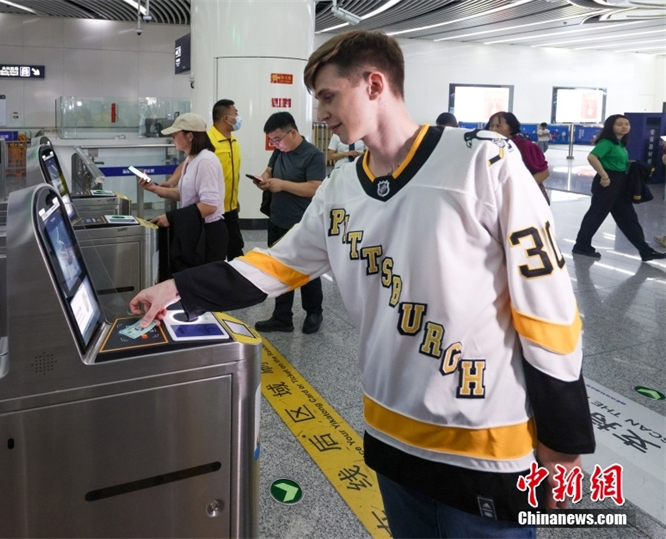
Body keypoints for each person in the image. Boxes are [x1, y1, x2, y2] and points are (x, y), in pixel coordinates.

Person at [131, 30, 594, 538]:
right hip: (391, 440)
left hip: (486, 451)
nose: (322, 113)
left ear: (375, 84)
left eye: (329, 96)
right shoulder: (342, 187)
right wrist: (178, 289)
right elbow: (277, 265)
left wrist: (563, 436)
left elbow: (546, 306)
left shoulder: (486, 162)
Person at [250, 111, 327, 334]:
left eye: (277, 139)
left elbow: (315, 187)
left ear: (292, 133)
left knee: (307, 270)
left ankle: (314, 312)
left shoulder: (312, 155)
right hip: (277, 220)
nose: (275, 144)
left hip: (303, 223)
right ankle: (282, 317)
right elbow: (269, 169)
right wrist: (263, 179)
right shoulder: (279, 151)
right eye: (271, 141)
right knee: (279, 269)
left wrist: (282, 185)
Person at [139, 112, 228, 270]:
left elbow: (209, 206)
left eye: (175, 134)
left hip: (208, 235)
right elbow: (185, 195)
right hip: (194, 228)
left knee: (203, 287)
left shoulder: (206, 161)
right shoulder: (191, 159)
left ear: (190, 136)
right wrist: (155, 188)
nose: (173, 138)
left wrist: (172, 218)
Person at [572, 114, 666, 262]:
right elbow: (592, 157)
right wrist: (604, 176)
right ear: (611, 126)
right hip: (608, 182)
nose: (624, 126)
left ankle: (645, 251)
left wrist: (630, 164)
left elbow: (613, 160)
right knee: (596, 215)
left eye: (627, 124)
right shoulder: (607, 142)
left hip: (620, 182)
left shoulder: (620, 143)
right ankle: (581, 245)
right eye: (619, 124)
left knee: (628, 218)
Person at [160, 100, 244, 261]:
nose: (238, 117)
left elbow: (230, 173)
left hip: (228, 207)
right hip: (209, 210)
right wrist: (171, 182)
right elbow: (188, 163)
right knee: (213, 252)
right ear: (226, 118)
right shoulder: (208, 140)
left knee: (235, 250)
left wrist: (234, 197)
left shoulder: (233, 141)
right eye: (236, 113)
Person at [488, 111, 551, 204]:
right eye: (491, 126)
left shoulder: (525, 146)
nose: (493, 129)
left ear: (511, 128)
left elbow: (544, 172)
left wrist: (522, 189)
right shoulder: (490, 146)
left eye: (498, 126)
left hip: (525, 199)